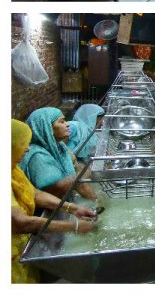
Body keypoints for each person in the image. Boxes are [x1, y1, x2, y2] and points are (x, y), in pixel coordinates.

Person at [11, 119, 98, 283]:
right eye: (23, 144)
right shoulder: (36, 157)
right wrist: (74, 226)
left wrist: (72, 208)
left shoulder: (12, 168)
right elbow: (19, 222)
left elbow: (34, 193)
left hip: (21, 245)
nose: (28, 148)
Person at [20, 107, 96, 200]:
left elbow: (77, 167)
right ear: (47, 128)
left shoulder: (60, 147)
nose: (67, 124)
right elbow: (58, 187)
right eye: (62, 122)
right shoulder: (37, 156)